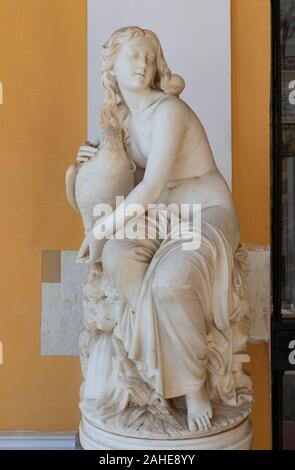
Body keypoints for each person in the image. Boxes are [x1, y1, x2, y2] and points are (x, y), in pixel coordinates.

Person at [79, 26, 241, 433]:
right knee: (119, 256)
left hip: (205, 213)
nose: (143, 63)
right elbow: (117, 183)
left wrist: (100, 229)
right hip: (164, 217)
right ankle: (158, 369)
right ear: (111, 66)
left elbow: (149, 188)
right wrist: (86, 160)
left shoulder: (169, 111)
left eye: (150, 57)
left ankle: (192, 385)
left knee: (170, 282)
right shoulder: (122, 122)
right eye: (133, 55)